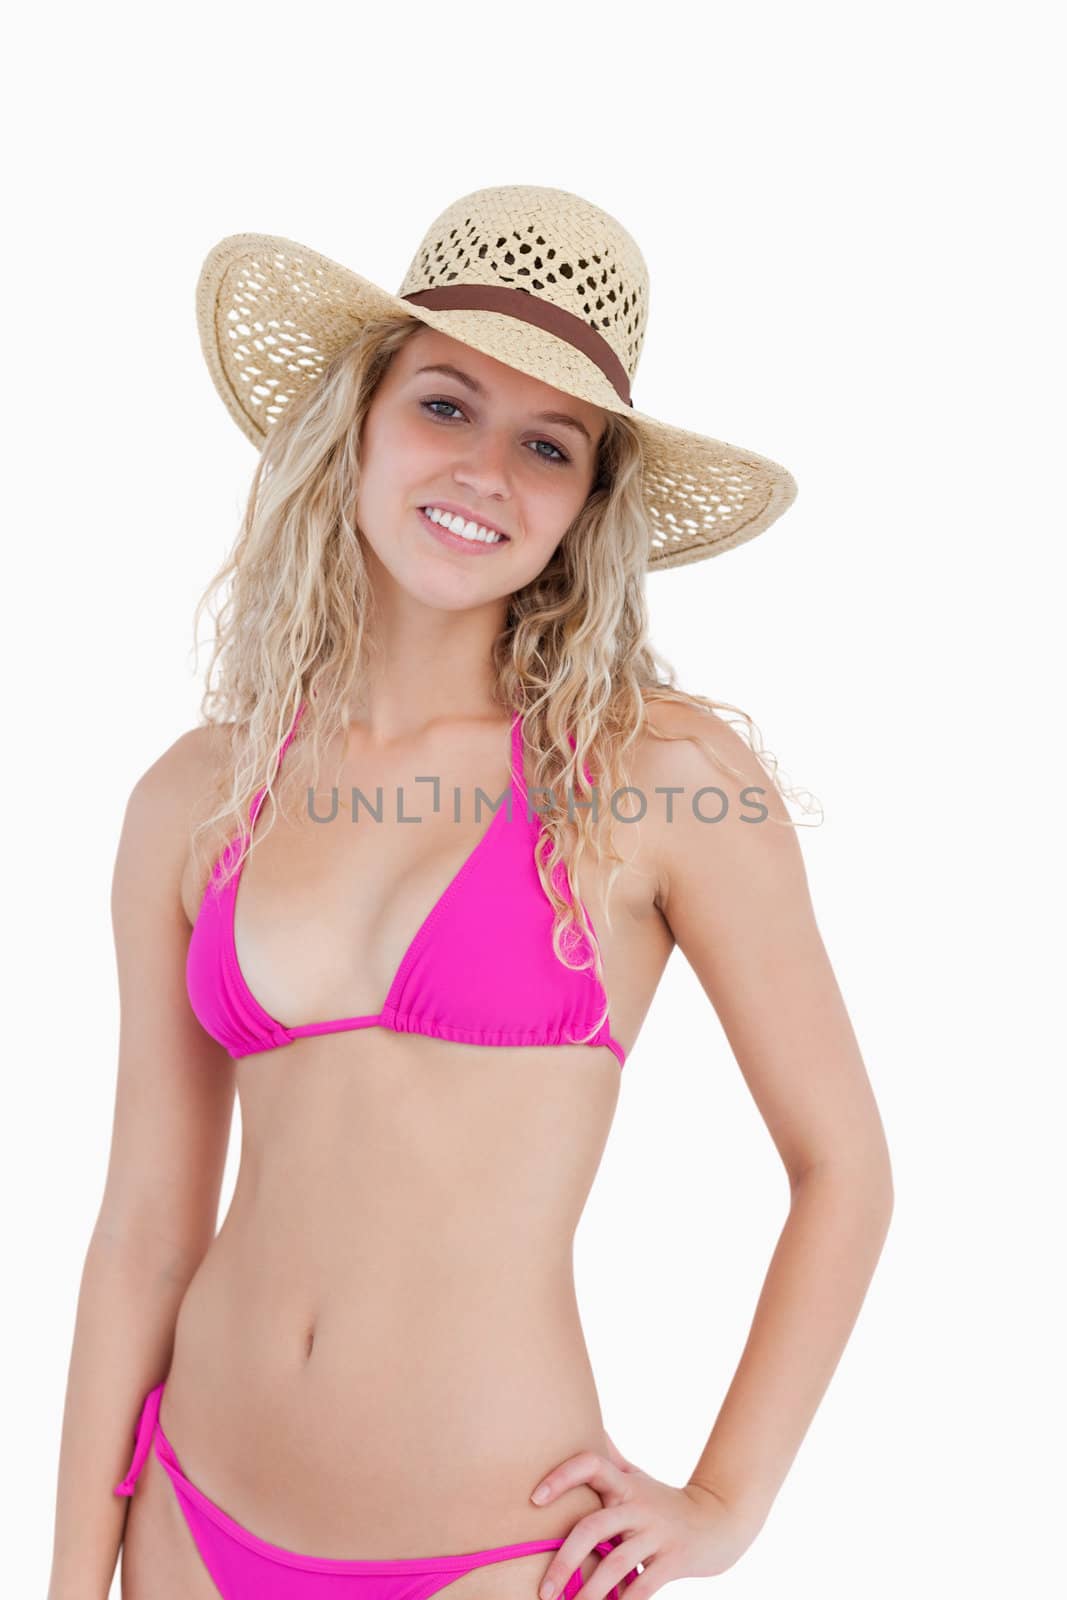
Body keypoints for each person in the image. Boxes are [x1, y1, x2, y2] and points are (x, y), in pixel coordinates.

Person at [46, 186, 893, 1600]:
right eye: (447, 406)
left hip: (492, 1552)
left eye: (547, 444)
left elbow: (843, 1170)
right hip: (186, 1529)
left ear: (585, 503)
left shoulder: (658, 775)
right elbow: (140, 1231)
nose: (487, 470)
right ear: (362, 419)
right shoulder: (196, 794)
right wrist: (73, 1581)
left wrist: (727, 1502)